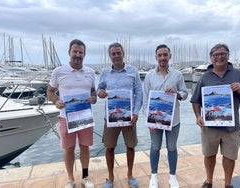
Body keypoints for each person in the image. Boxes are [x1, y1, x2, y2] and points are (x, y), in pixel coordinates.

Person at [190, 43, 240, 188]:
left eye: (223, 54)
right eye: (216, 54)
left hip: (232, 126)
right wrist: (198, 116)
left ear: (228, 55)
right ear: (211, 58)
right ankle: (209, 181)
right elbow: (195, 100)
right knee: (209, 155)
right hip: (210, 126)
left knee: (230, 156)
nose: (219, 57)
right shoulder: (204, 77)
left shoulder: (238, 74)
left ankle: (228, 183)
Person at [47, 39, 97, 188]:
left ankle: (85, 177)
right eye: (75, 51)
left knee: (84, 147)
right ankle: (70, 179)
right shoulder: (59, 71)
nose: (77, 54)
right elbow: (50, 90)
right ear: (69, 52)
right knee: (69, 148)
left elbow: (92, 91)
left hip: (85, 117)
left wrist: (93, 98)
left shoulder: (90, 72)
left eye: (80, 52)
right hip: (65, 117)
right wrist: (56, 101)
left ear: (84, 54)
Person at [97, 42, 143, 188]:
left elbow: (139, 93)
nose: (116, 56)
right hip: (110, 117)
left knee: (130, 146)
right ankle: (110, 177)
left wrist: (135, 112)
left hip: (129, 117)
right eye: (113, 54)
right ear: (110, 56)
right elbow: (100, 89)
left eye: (119, 53)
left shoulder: (133, 71)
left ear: (123, 54)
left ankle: (130, 174)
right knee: (109, 147)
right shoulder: (104, 73)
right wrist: (100, 93)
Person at [143, 44, 188, 188]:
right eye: (160, 55)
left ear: (170, 56)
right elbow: (145, 101)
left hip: (173, 120)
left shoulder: (178, 75)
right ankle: (154, 176)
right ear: (156, 57)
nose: (162, 58)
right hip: (155, 120)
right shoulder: (149, 76)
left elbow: (185, 93)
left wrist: (177, 94)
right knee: (155, 147)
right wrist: (149, 119)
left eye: (165, 55)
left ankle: (172, 177)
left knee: (172, 147)